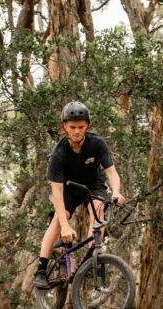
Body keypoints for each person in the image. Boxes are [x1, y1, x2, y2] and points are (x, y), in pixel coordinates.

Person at [34, 101, 125, 289]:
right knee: (58, 222)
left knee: (98, 213)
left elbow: (111, 172)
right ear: (64, 127)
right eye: (72, 127)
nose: (77, 131)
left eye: (81, 127)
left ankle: (94, 259)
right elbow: (57, 192)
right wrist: (66, 226)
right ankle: (41, 270)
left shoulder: (97, 143)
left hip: (93, 184)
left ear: (87, 126)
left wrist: (116, 191)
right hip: (68, 188)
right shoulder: (58, 153)